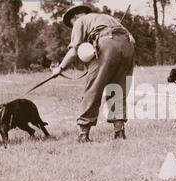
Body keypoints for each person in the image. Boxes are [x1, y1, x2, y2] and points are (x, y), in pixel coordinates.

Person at [53, 4, 135, 143]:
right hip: (128, 47)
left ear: (75, 17)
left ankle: (83, 134)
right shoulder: (107, 17)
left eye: (71, 24)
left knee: (93, 88)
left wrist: (60, 68)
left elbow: (74, 51)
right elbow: (132, 39)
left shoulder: (80, 21)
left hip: (107, 45)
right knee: (117, 89)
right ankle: (119, 133)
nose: (72, 27)